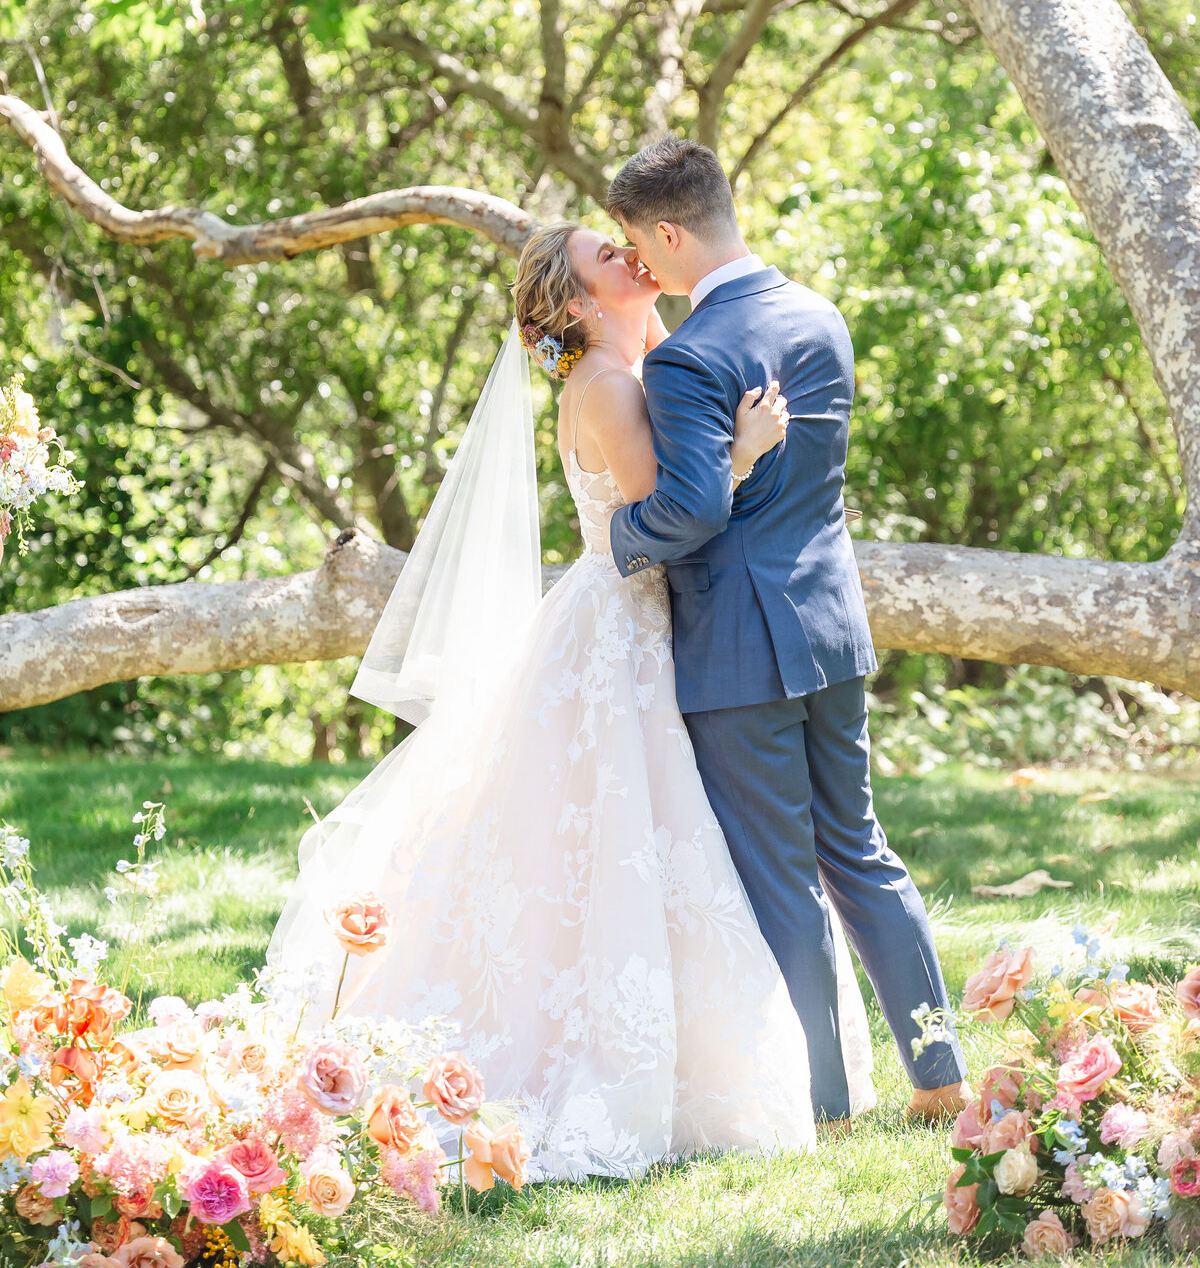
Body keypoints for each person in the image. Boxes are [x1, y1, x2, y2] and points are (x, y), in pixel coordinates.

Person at [267, 224, 874, 1180]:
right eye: (606, 255)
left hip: (633, 621)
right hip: (623, 630)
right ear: (580, 303)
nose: (631, 257)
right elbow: (664, 514)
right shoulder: (605, 386)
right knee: (616, 836)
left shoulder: (626, 367)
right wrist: (749, 452)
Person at [606, 136, 969, 1124]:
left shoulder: (687, 361)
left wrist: (615, 532)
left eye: (640, 243)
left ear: (671, 231)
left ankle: (827, 1102)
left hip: (736, 647)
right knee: (862, 854)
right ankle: (941, 1078)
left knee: (781, 879)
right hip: (829, 624)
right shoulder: (822, 316)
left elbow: (688, 512)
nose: (638, 263)